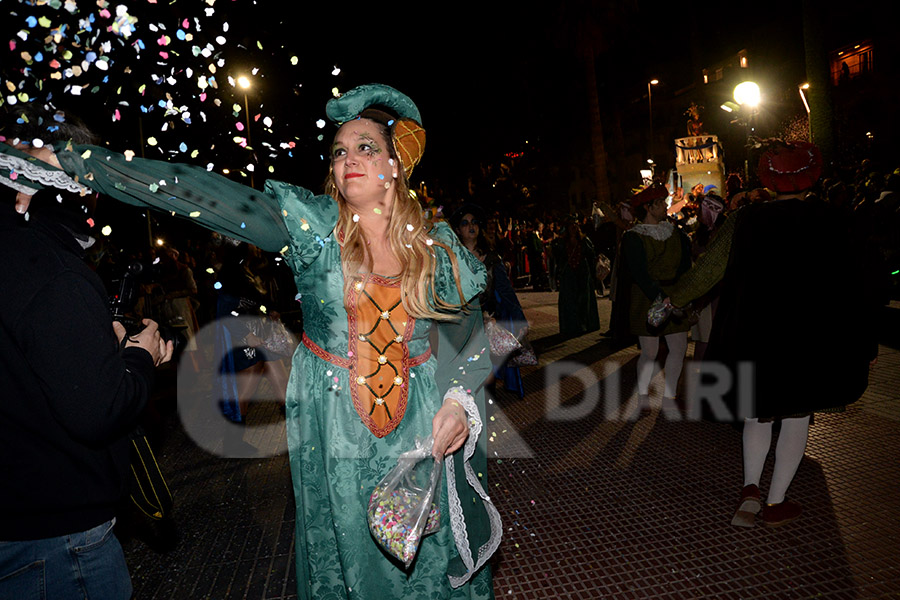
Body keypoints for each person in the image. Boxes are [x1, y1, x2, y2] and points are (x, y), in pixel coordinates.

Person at [4, 84, 501, 598]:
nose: (348, 158)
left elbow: (467, 334)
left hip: (420, 432)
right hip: (336, 432)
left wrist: (458, 400)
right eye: (338, 151)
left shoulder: (435, 248)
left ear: (395, 165)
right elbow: (198, 192)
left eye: (366, 147)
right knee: (355, 565)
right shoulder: (311, 230)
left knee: (429, 568)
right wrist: (83, 162)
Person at [0, 105, 174, 599]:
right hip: (56, 541)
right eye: (65, 171)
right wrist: (140, 356)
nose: (82, 192)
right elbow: (98, 409)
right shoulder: (50, 268)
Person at [663, 140, 879, 528]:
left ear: (770, 178)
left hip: (754, 335)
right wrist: (866, 341)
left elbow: (707, 271)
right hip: (806, 341)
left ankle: (750, 489)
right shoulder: (834, 220)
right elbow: (859, 285)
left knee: (757, 414)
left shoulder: (745, 220)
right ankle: (776, 502)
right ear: (811, 176)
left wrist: (670, 302)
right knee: (796, 417)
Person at [620, 184, 692, 412]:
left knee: (679, 348)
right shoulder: (633, 237)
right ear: (648, 207)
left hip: (674, 293)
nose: (665, 206)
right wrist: (662, 298)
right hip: (646, 297)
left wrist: (680, 294)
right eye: (660, 203)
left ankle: (669, 396)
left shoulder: (676, 233)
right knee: (649, 353)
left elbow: (684, 266)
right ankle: (642, 393)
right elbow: (639, 274)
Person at [452, 203, 528, 397]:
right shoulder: (451, 259)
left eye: (475, 222)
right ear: (458, 230)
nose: (471, 226)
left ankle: (485, 415)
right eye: (465, 223)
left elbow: (506, 292)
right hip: (461, 326)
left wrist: (519, 319)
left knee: (487, 377)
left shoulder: (492, 259)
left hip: (487, 324)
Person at [553, 217, 601, 336]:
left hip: (582, 272)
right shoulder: (563, 242)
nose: (574, 228)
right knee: (570, 300)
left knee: (583, 299)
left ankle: (584, 324)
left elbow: (591, 255)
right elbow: (559, 258)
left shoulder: (584, 240)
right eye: (571, 226)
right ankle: (572, 326)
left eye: (575, 226)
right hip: (569, 273)